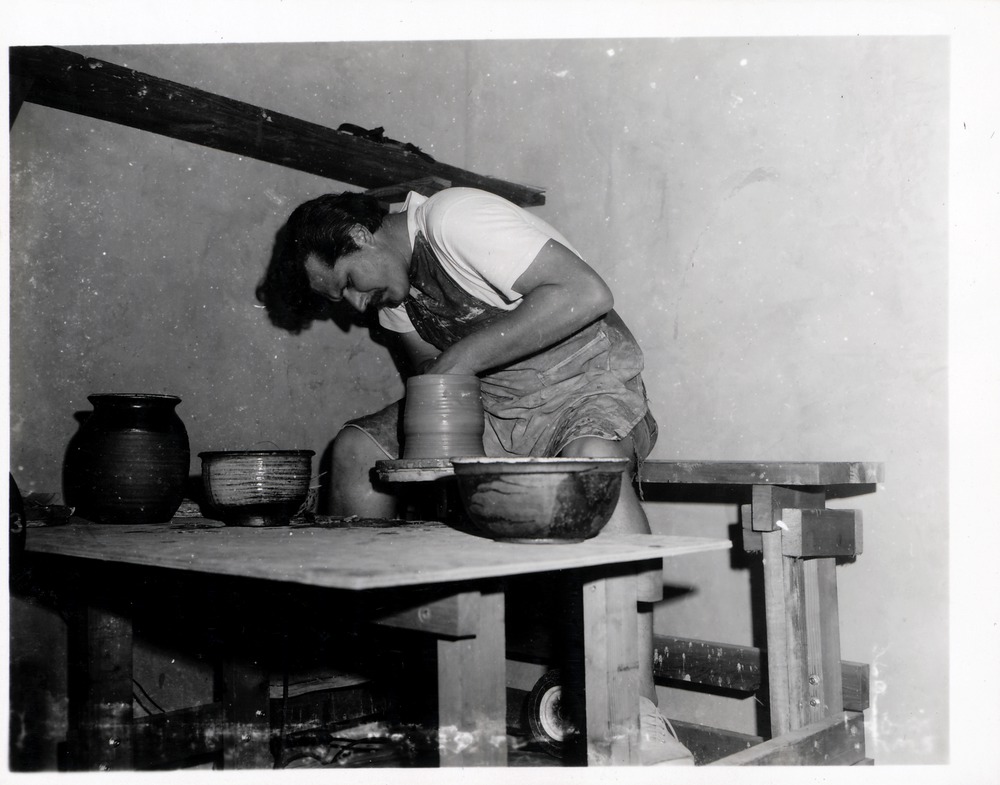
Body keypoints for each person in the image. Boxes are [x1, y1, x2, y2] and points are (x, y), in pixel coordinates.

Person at [257, 186, 692, 765]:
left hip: (586, 386)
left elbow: (587, 292)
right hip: (495, 405)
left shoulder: (453, 217)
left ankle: (637, 715)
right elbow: (441, 391)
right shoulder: (395, 298)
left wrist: (459, 362)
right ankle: (391, 680)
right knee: (357, 450)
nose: (357, 307)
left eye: (349, 284)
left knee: (591, 466)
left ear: (360, 236)